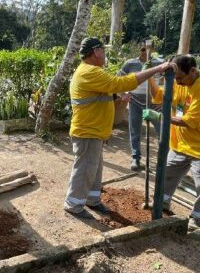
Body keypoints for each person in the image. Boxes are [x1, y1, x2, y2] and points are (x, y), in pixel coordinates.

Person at [63, 37, 170, 219]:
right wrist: (157, 69)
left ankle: (92, 200)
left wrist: (117, 98)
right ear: (96, 52)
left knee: (94, 169)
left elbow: (100, 95)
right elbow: (120, 83)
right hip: (88, 131)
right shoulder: (90, 72)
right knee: (85, 170)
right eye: (103, 51)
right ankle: (73, 204)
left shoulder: (90, 72)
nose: (104, 54)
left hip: (94, 131)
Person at [144, 55, 200, 231]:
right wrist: (150, 76)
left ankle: (196, 219)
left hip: (199, 149)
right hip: (179, 145)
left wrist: (160, 117)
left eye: (180, 77)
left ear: (193, 71)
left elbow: (189, 120)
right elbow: (158, 95)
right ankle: (162, 204)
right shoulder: (177, 82)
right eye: (175, 78)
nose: (177, 81)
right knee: (166, 175)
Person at [118, 42, 162, 171]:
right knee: (135, 130)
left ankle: (163, 160)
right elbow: (117, 79)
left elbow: (167, 81)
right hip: (135, 101)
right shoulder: (130, 63)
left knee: (161, 130)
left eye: (147, 49)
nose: (144, 52)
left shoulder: (159, 64)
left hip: (154, 102)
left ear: (153, 50)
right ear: (139, 50)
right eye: (142, 49)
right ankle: (135, 159)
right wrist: (123, 94)